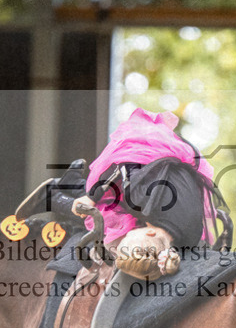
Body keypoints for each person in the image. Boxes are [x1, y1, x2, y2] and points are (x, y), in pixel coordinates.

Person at [72, 107, 223, 280]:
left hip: (184, 177)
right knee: (102, 201)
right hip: (151, 152)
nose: (127, 234)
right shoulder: (140, 201)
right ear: (149, 233)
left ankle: (69, 189)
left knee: (112, 212)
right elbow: (122, 162)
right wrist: (91, 197)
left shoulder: (190, 238)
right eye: (129, 237)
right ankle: (76, 189)